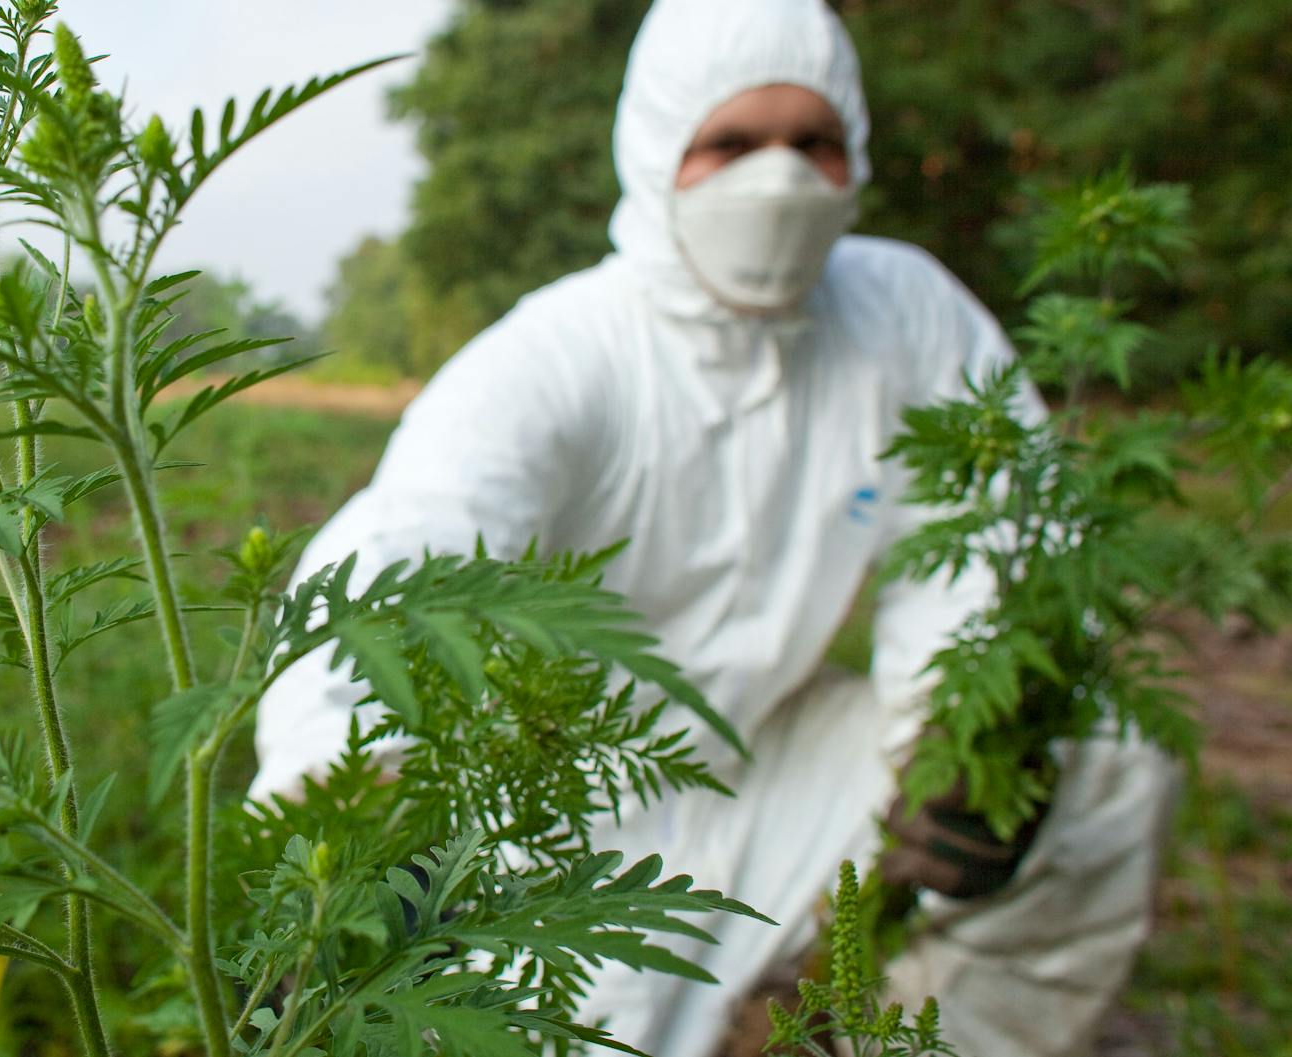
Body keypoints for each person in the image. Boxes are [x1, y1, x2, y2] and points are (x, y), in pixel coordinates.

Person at [250, 0, 1176, 1053]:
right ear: (655, 151)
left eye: (812, 143)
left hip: (773, 763)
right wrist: (338, 822)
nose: (776, 180)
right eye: (730, 143)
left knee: (1092, 746)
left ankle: (860, 1020)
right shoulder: (558, 356)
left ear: (855, 155)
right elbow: (395, 574)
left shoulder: (902, 313)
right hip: (545, 812)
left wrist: (952, 744)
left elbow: (995, 541)